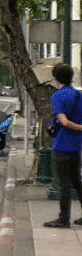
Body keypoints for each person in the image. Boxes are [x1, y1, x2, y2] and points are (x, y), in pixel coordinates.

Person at [44, 63, 82, 228]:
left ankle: (63, 218)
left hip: (61, 146)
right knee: (77, 182)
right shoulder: (79, 95)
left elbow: (64, 121)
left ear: (56, 78)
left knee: (64, 184)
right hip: (77, 146)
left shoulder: (57, 96)